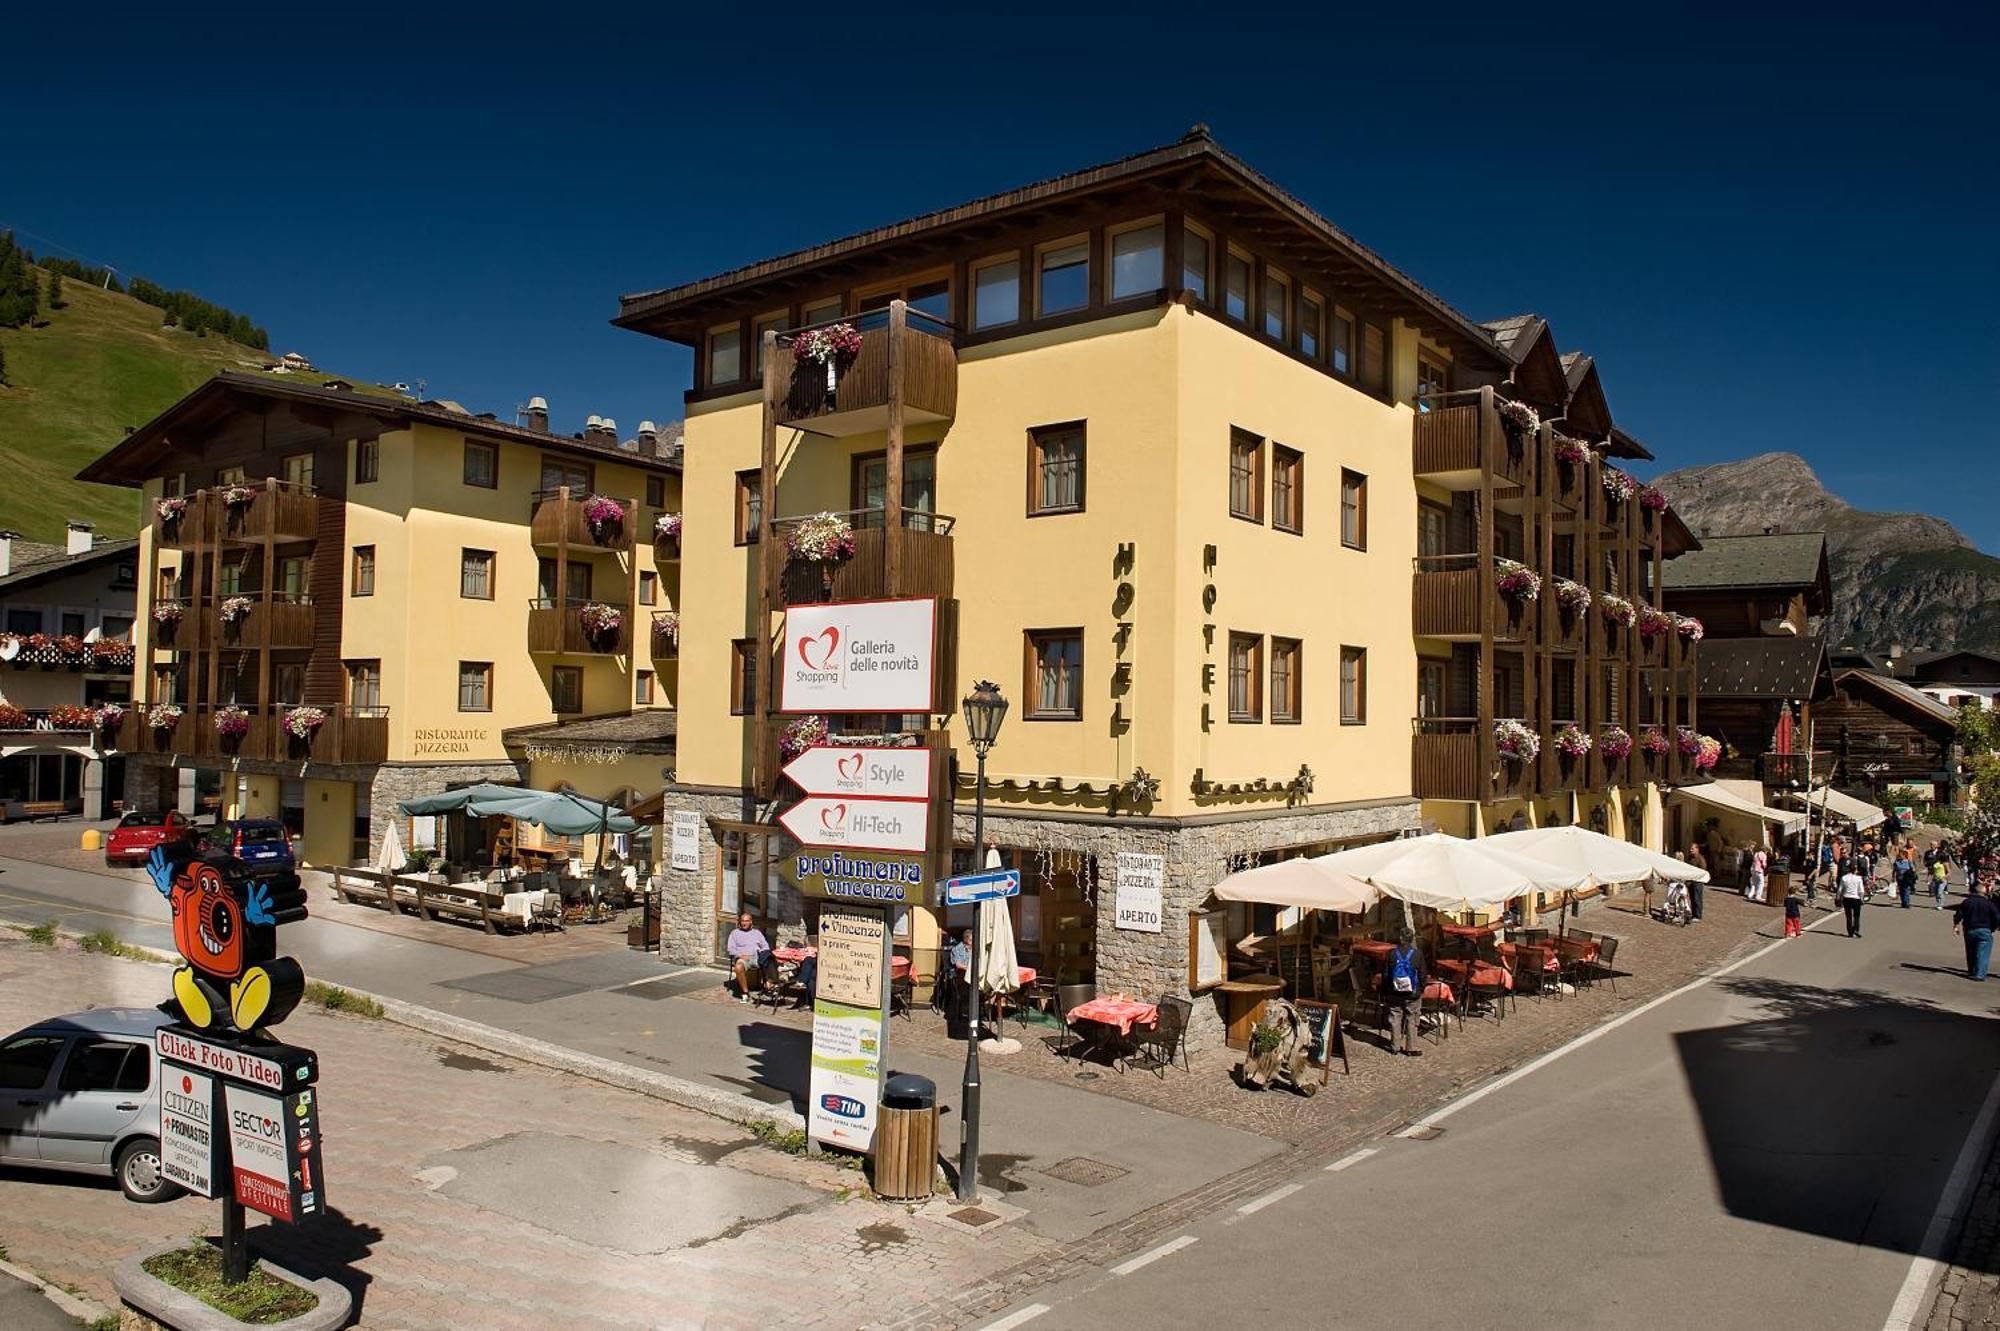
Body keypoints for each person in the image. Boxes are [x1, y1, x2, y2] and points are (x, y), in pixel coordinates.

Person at [1379, 929, 1427, 1057]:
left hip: (1394, 993)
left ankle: (1394, 1046)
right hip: (1412, 994)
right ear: (1412, 939)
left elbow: (1386, 975)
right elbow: (1423, 975)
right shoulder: (1418, 954)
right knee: (1412, 1018)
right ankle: (1411, 1048)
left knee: (1395, 1018)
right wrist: (1421, 989)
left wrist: (1385, 991)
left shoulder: (1391, 954)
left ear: (1400, 938)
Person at [1952, 884, 2000, 981]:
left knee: (1971, 951)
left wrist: (1956, 925)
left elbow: (1959, 914)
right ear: (1984, 893)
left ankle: (1972, 970)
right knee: (1983, 952)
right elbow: (1996, 917)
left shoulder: (1967, 902)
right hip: (1985, 930)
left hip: (1969, 929)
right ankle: (1980, 974)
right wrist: (1993, 927)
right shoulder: (1989, 904)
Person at [725, 910, 771, 1001]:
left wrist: (763, 953)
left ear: (750, 922)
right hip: (743, 958)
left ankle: (769, 988)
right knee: (738, 967)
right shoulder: (735, 933)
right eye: (742, 921)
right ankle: (745, 993)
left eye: (746, 921)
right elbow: (731, 949)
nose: (744, 923)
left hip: (756, 957)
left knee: (771, 962)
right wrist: (740, 955)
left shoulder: (757, 933)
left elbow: (765, 946)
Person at [1837, 861, 1867, 938]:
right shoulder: (1858, 878)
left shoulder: (1844, 878)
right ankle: (1856, 929)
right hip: (1856, 898)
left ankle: (1850, 931)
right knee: (1856, 916)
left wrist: (1838, 897)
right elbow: (1861, 890)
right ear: (1855, 870)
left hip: (1846, 898)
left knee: (1848, 915)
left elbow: (1840, 889)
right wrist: (1862, 898)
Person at [1686, 843, 1707, 921]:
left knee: (1697, 898)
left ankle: (1698, 915)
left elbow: (1703, 869)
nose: (1690, 850)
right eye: (1691, 849)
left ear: (1697, 849)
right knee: (1691, 898)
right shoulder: (1690, 858)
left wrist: (1696, 875)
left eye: (1692, 849)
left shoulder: (1700, 858)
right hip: (1690, 881)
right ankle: (1693, 913)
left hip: (1697, 882)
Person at [1894, 844, 1918, 909]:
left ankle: (1907, 903)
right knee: (1901, 891)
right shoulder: (1896, 862)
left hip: (1907, 878)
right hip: (1899, 878)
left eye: (1901, 855)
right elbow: (1894, 870)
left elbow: (1913, 868)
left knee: (1906, 890)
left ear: (1904, 855)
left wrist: (1912, 874)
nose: (1900, 856)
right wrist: (1893, 877)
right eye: (1899, 855)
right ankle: (1903, 903)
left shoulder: (1908, 861)